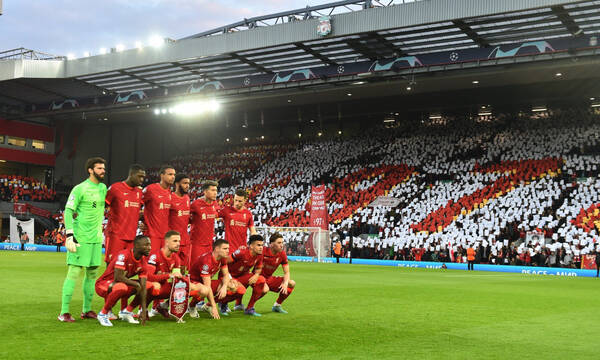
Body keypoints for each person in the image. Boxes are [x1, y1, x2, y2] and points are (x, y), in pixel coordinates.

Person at [58, 157, 108, 323]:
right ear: (90, 170)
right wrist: (70, 235)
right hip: (80, 238)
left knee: (92, 274)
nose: (103, 171)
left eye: (103, 168)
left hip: (96, 239)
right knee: (73, 272)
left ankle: (86, 310)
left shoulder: (102, 188)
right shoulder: (80, 188)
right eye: (99, 168)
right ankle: (64, 312)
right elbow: (68, 210)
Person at [95, 235, 152, 327]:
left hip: (120, 284)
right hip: (103, 284)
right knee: (122, 287)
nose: (149, 248)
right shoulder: (123, 255)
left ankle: (127, 311)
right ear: (136, 246)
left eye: (150, 245)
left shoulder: (143, 262)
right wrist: (135, 284)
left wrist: (143, 310)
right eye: (146, 245)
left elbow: (144, 286)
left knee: (148, 285)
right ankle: (103, 314)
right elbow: (118, 277)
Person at [188, 239, 241, 319]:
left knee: (233, 286)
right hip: (192, 282)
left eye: (228, 248)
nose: (228, 251)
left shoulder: (222, 258)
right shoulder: (207, 262)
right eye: (225, 249)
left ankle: (207, 306)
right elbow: (207, 287)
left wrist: (224, 286)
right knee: (205, 290)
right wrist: (214, 307)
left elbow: (226, 274)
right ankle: (191, 306)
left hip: (204, 282)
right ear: (216, 249)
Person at [104, 164, 145, 263]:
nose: (142, 179)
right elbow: (102, 206)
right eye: (140, 176)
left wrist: (145, 222)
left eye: (143, 177)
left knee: (126, 267)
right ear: (131, 174)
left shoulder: (139, 192)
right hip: (115, 235)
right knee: (111, 265)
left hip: (131, 237)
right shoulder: (115, 188)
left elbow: (140, 211)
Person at [226, 234, 266, 317]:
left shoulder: (259, 255)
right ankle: (218, 304)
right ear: (251, 246)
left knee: (262, 283)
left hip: (242, 276)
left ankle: (249, 308)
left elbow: (258, 268)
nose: (261, 247)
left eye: (262, 245)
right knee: (235, 290)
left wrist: (256, 274)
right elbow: (224, 262)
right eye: (258, 245)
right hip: (229, 276)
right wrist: (229, 278)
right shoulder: (241, 253)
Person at [260, 233, 295, 314]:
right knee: (265, 289)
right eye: (279, 243)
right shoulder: (263, 251)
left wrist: (285, 283)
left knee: (291, 283)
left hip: (269, 278)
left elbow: (286, 272)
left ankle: (277, 305)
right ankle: (250, 307)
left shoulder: (282, 254)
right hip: (257, 277)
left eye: (282, 243)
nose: (281, 245)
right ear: (271, 244)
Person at [142, 165, 175, 250]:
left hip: (165, 236)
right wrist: (141, 221)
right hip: (152, 235)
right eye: (170, 174)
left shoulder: (170, 193)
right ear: (162, 175)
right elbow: (136, 204)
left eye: (174, 175)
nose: (173, 177)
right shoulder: (151, 189)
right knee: (149, 262)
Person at [190, 180, 219, 266]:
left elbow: (217, 213)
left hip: (209, 244)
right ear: (205, 191)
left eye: (216, 190)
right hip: (197, 244)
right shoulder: (196, 204)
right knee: (194, 267)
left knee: (206, 268)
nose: (215, 193)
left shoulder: (215, 204)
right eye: (213, 190)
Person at [219, 188, 257, 253]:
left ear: (245, 200)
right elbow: (213, 214)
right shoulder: (226, 210)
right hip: (229, 250)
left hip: (242, 250)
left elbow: (253, 231)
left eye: (240, 201)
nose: (237, 203)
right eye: (235, 200)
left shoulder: (248, 214)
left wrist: (255, 242)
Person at [169, 174, 191, 271]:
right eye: (185, 183)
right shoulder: (170, 198)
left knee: (183, 269)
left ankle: (182, 286)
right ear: (177, 184)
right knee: (172, 268)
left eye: (188, 183)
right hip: (173, 240)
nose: (187, 186)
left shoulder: (187, 198)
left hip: (185, 240)